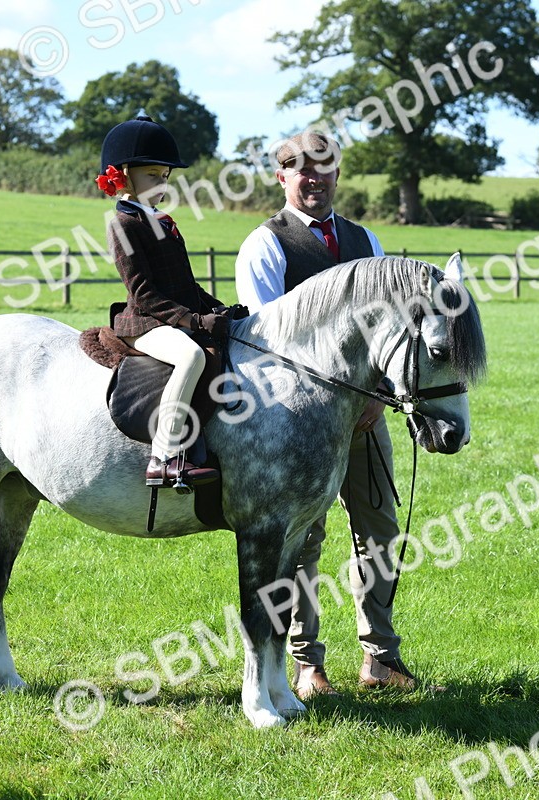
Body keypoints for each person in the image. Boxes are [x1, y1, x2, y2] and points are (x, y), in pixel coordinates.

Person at [235, 131, 428, 698]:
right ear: (283, 177)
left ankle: (381, 658)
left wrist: (374, 395)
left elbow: (389, 327)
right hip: (295, 426)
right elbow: (266, 338)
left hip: (367, 414)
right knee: (303, 540)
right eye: (302, 171)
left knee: (381, 533)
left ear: (337, 175)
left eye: (324, 170)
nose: (314, 179)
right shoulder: (265, 245)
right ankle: (306, 664)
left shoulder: (366, 239)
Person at [99, 115, 230, 488]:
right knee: (191, 355)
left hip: (170, 316)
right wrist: (193, 322)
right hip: (143, 322)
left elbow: (184, 284)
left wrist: (217, 308)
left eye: (165, 177)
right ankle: (165, 456)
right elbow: (143, 292)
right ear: (124, 175)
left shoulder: (161, 221)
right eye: (154, 175)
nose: (162, 184)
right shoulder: (121, 226)